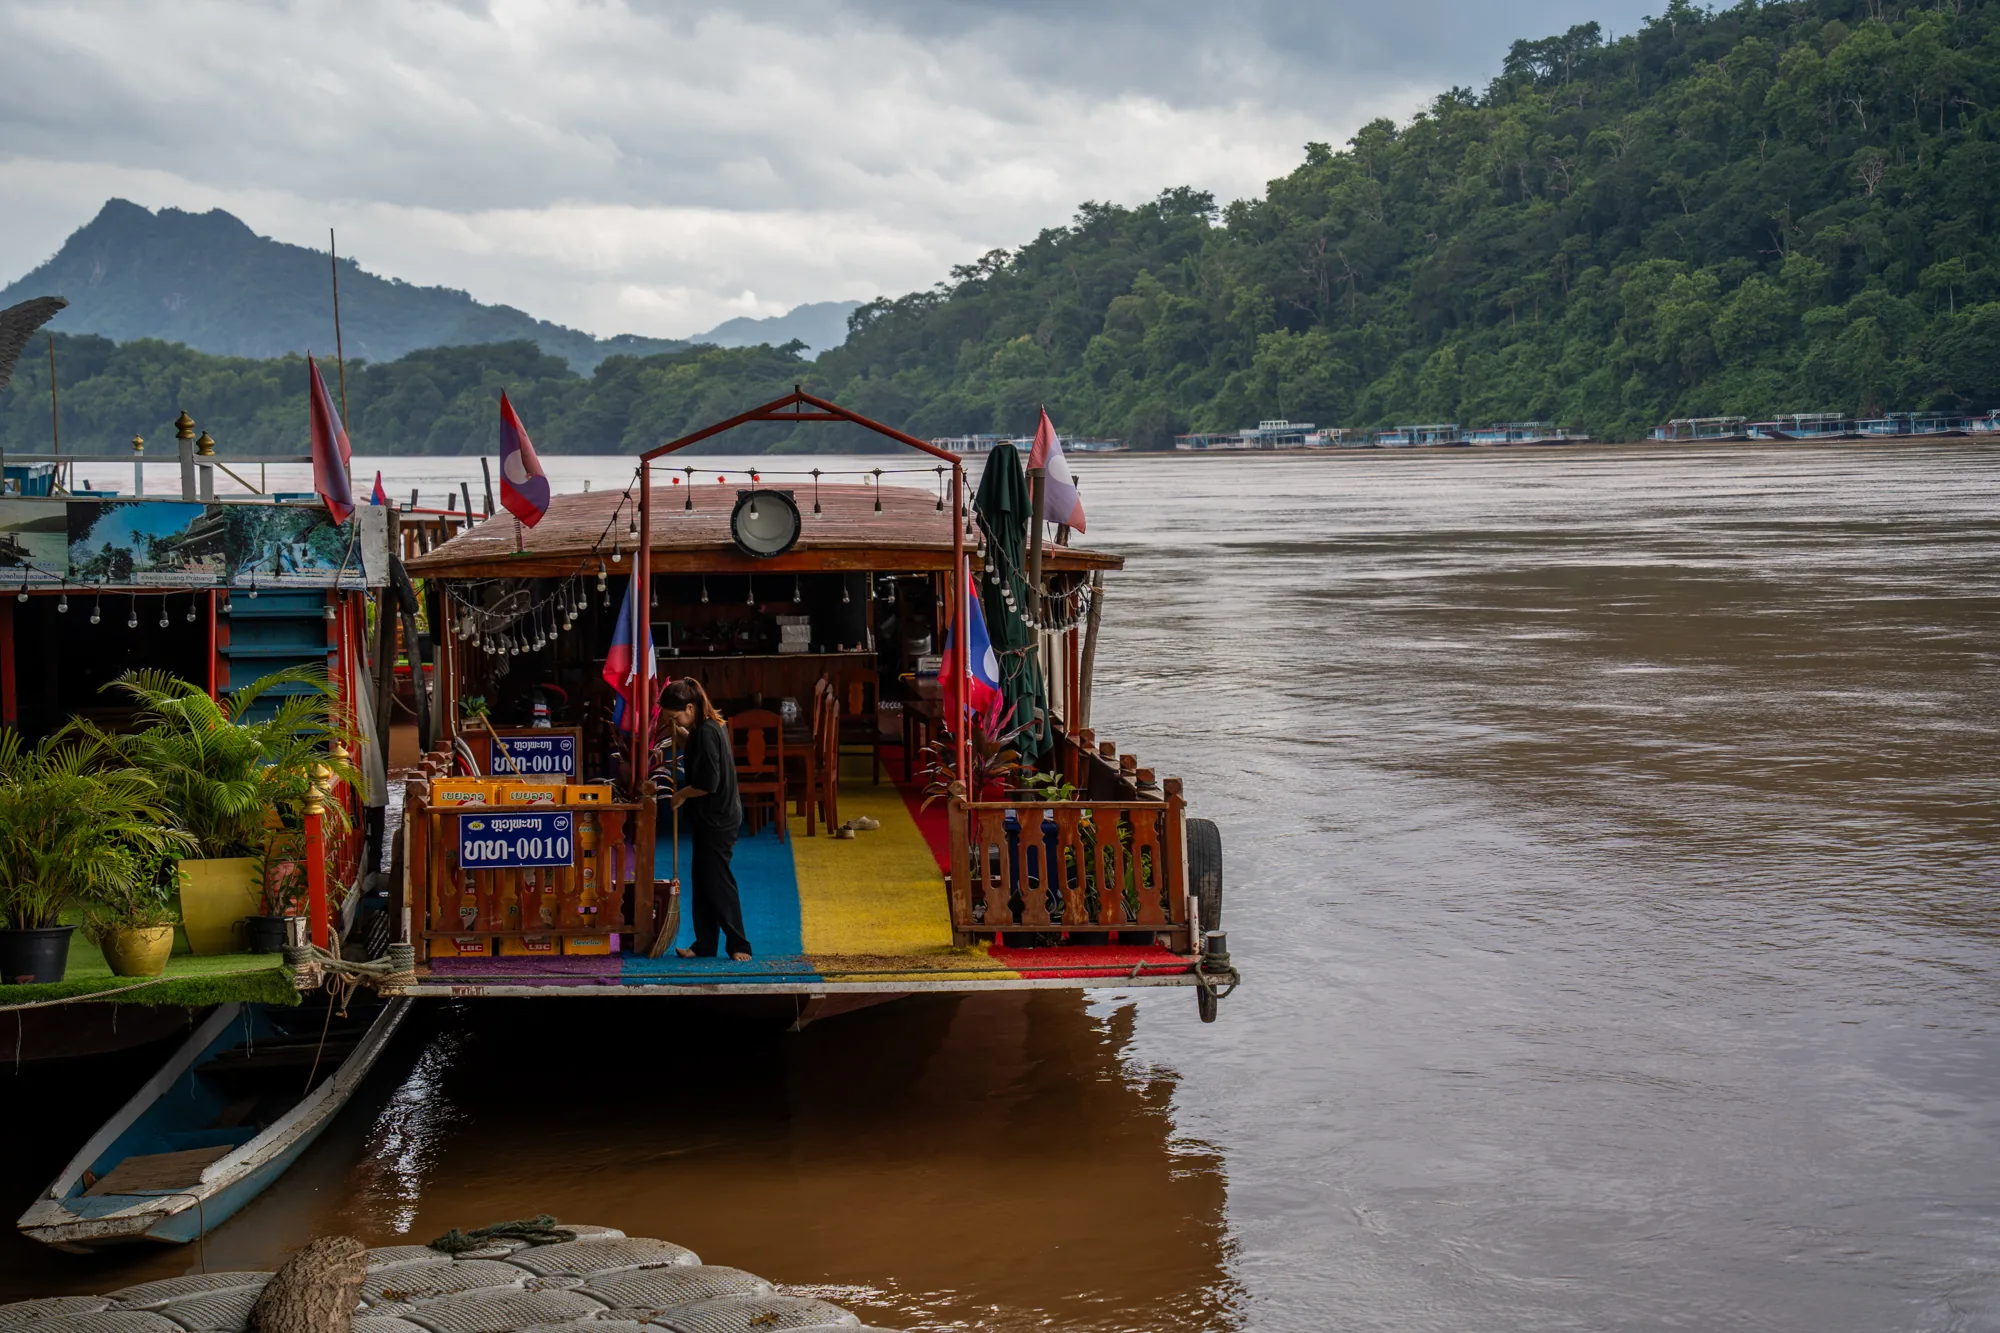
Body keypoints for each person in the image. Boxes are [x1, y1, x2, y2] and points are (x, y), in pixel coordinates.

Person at [662, 678, 751, 961]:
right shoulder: (706, 727)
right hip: (710, 816)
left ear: (690, 708)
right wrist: (678, 734)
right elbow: (696, 749)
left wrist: (681, 795)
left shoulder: (707, 732)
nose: (673, 722)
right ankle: (705, 944)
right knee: (702, 882)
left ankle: (739, 943)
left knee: (717, 882)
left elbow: (708, 783)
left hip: (718, 819)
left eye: (675, 717)